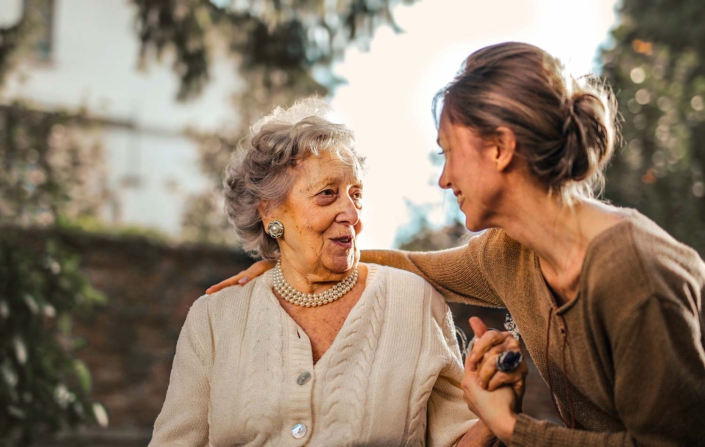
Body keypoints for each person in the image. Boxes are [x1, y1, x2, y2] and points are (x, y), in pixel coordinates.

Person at [207, 42, 705, 446]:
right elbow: (413, 267)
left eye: (448, 154)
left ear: (500, 148)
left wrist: (511, 427)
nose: (444, 179)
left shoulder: (634, 273)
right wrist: (292, 264)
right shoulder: (509, 253)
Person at [149, 98, 514, 446]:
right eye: (327, 194)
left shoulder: (413, 302)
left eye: (356, 194)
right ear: (270, 212)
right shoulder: (214, 319)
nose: (353, 215)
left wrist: (492, 416)